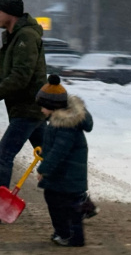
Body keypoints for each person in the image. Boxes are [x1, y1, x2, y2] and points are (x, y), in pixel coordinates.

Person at [0, 0, 47, 224]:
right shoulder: (13, 36)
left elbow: (19, 78)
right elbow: (3, 75)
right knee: (51, 156)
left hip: (28, 108)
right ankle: (81, 203)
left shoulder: (25, 37)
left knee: (4, 155)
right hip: (30, 108)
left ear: (10, 13)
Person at [35, 74, 93, 247]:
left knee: (63, 204)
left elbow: (58, 153)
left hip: (67, 176)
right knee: (61, 202)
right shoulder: (58, 122)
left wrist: (43, 169)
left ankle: (69, 235)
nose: (41, 110)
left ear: (52, 106)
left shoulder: (65, 126)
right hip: (64, 175)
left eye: (43, 107)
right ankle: (66, 232)